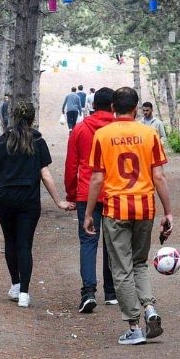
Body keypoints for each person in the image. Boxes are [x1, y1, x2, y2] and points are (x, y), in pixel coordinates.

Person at [84, 87, 174, 346]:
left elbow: (98, 178)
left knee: (121, 268)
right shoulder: (149, 133)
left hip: (115, 209)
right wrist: (168, 211)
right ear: (136, 109)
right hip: (144, 207)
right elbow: (159, 176)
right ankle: (149, 309)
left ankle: (134, 326)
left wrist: (88, 213)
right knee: (140, 263)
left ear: (113, 107)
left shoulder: (102, 135)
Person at [0, 102, 74, 308]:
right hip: (29, 199)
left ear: (13, 116)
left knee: (10, 241)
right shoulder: (38, 141)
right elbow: (45, 175)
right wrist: (59, 201)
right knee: (25, 244)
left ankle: (15, 284)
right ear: (32, 118)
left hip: (5, 197)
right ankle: (24, 294)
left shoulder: (3, 141)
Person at [65, 86, 118, 313]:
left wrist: (71, 194)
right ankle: (111, 291)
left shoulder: (80, 128)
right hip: (115, 191)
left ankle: (88, 291)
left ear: (93, 105)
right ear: (113, 106)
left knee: (88, 242)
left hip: (87, 192)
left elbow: (71, 165)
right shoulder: (118, 129)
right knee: (112, 242)